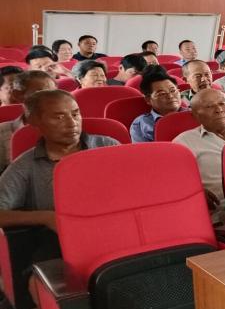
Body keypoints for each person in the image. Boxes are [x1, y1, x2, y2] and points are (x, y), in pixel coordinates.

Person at [0, 90, 119, 230]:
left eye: (75, 114)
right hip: (61, 237)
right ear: (34, 122)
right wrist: (45, 217)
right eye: (59, 117)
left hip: (116, 229)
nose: (72, 123)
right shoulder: (26, 165)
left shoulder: (109, 146)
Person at [173, 89, 225, 225]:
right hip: (220, 214)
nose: (219, 110)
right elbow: (173, 182)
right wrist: (195, 191)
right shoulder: (183, 142)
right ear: (195, 114)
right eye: (209, 106)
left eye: (223, 104)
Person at [0, 71, 55, 172]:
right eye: (40, 93)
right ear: (18, 95)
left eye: (54, 93)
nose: (51, 99)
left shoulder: (70, 127)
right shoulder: (2, 133)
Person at [130, 66, 184, 143]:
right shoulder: (140, 124)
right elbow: (143, 150)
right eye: (162, 94)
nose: (170, 96)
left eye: (173, 91)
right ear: (148, 99)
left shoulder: (194, 114)